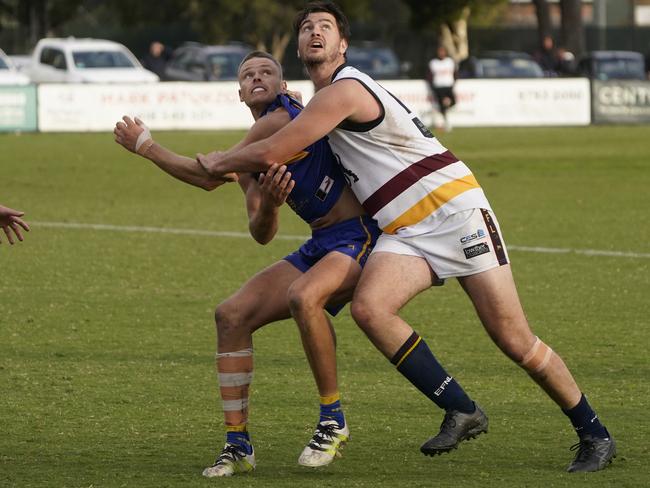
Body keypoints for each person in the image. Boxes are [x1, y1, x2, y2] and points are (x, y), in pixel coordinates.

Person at [196, 1, 616, 474]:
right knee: (369, 309)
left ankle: (594, 432)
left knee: (513, 338)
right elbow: (274, 157)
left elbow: (275, 147)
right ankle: (461, 408)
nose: (315, 32)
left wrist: (216, 163)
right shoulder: (315, 102)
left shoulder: (345, 89)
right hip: (405, 228)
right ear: (297, 46)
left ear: (343, 44)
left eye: (325, 27)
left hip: (455, 212)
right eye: (307, 28)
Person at [114, 50, 381, 477]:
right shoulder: (253, 154)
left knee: (303, 296)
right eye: (248, 74)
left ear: (281, 86)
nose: (257, 77)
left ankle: (333, 419)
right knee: (231, 315)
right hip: (322, 242)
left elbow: (206, 177)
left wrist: (146, 147)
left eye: (267, 72)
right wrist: (272, 205)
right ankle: (237, 445)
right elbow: (261, 232)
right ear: (239, 93)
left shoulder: (280, 119)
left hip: (360, 235)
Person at [427, 45, 456, 131]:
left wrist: (454, 82)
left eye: (443, 51)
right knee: (441, 105)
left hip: (448, 85)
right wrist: (432, 86)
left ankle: (445, 112)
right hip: (438, 86)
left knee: (453, 102)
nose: (441, 53)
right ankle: (445, 122)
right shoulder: (433, 63)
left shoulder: (450, 61)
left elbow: (455, 73)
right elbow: (429, 75)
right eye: (440, 51)